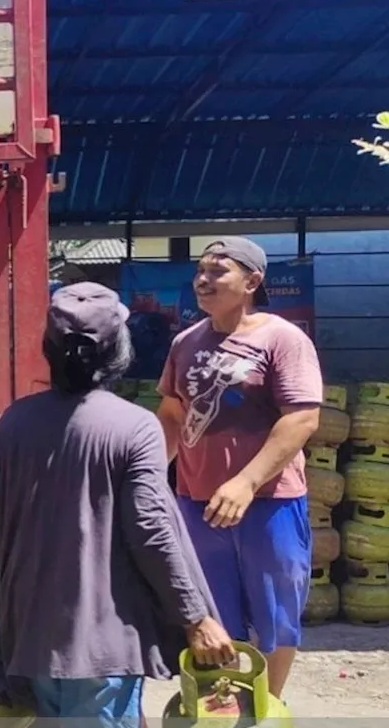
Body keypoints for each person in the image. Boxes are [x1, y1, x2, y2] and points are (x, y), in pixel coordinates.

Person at [0, 282, 234, 726]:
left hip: (26, 639)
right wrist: (195, 616)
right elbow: (152, 531)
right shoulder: (135, 428)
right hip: (103, 645)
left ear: (48, 350)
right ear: (119, 352)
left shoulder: (13, 424)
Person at [156, 237, 323, 700]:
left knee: (274, 619)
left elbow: (302, 418)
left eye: (218, 271)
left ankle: (266, 707)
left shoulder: (282, 339)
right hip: (197, 504)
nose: (204, 281)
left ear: (252, 281)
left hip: (269, 505)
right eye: (200, 272)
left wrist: (247, 482)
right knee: (213, 620)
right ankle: (224, 706)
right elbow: (172, 414)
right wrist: (148, 478)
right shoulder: (185, 342)